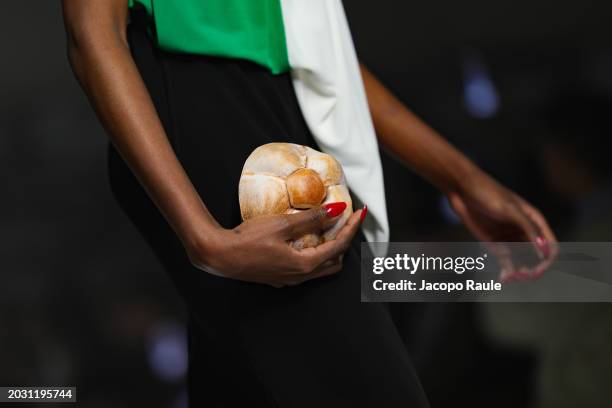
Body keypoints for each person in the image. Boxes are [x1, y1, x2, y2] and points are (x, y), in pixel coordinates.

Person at [61, 0, 557, 406]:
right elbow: (93, 30)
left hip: (280, 114)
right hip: (211, 118)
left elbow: (323, 56)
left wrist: (462, 179)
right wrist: (205, 238)